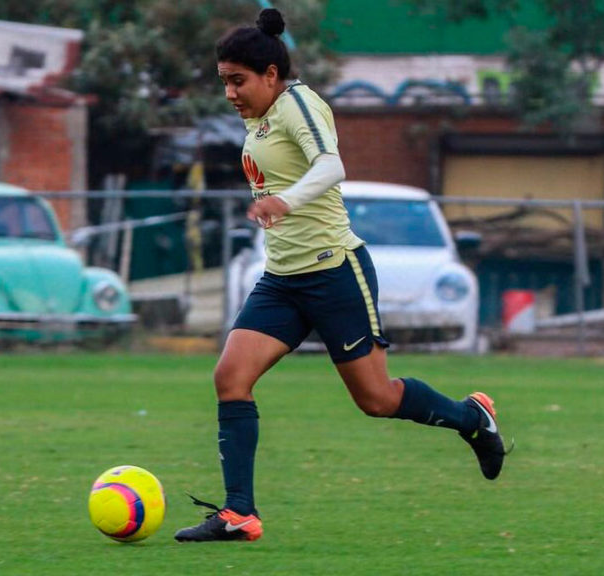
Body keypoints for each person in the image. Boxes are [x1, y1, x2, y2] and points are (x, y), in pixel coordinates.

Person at [173, 9, 508, 543]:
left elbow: (331, 167)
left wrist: (285, 200)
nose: (231, 93)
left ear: (271, 75)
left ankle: (471, 419)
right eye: (225, 82)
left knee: (376, 399)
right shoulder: (257, 116)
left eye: (238, 81)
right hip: (282, 279)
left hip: (334, 271)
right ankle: (239, 513)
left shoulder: (298, 104)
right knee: (230, 378)